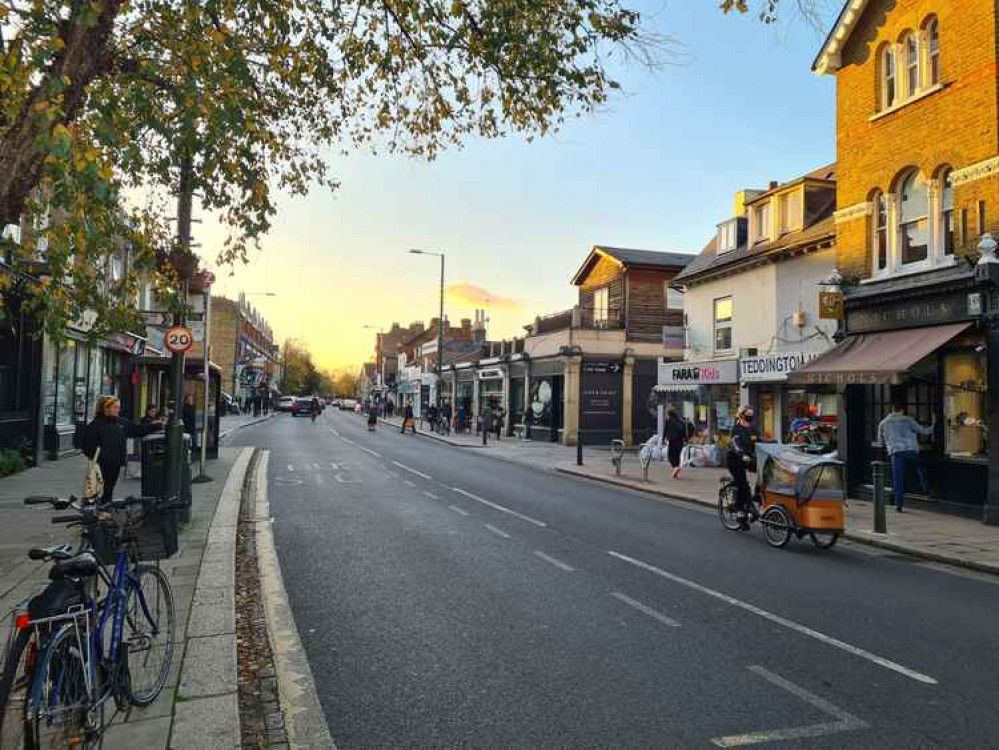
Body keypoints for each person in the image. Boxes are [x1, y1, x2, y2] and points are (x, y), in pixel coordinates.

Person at [83, 396, 163, 503]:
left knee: (109, 488)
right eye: (115, 407)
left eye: (118, 407)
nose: (118, 410)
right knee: (94, 489)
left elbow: (137, 430)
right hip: (100, 464)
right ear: (106, 408)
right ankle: (92, 511)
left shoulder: (121, 422)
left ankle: (105, 510)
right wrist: (101, 458)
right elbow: (87, 446)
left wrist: (153, 426)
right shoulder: (95, 425)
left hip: (116, 463)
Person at [877, 397, 934, 512]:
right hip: (910, 451)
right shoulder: (908, 420)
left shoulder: (883, 423)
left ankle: (899, 505)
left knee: (898, 480)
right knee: (921, 467)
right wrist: (934, 423)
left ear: (892, 410)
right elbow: (924, 431)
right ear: (902, 410)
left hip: (895, 453)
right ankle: (925, 488)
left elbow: (880, 441)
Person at [727, 405, 756, 530]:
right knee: (742, 485)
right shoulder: (736, 429)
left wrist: (773, 442)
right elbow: (735, 443)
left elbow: (759, 440)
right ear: (741, 415)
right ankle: (740, 514)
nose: (750, 416)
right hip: (735, 460)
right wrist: (741, 453)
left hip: (748, 459)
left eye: (752, 414)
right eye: (748, 414)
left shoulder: (752, 429)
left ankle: (753, 502)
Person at [664, 406, 687, 479]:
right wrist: (686, 439)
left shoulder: (668, 421)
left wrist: (663, 439)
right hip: (680, 441)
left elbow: (665, 430)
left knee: (670, 456)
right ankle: (676, 471)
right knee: (677, 456)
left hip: (672, 441)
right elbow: (684, 431)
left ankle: (675, 468)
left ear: (669, 413)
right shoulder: (680, 420)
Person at [182, 393, 198, 461]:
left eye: (191, 399)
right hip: (186, 428)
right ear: (186, 400)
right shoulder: (184, 408)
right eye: (189, 399)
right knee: (186, 443)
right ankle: (187, 457)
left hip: (193, 427)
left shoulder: (194, 407)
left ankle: (193, 456)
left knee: (195, 443)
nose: (191, 400)